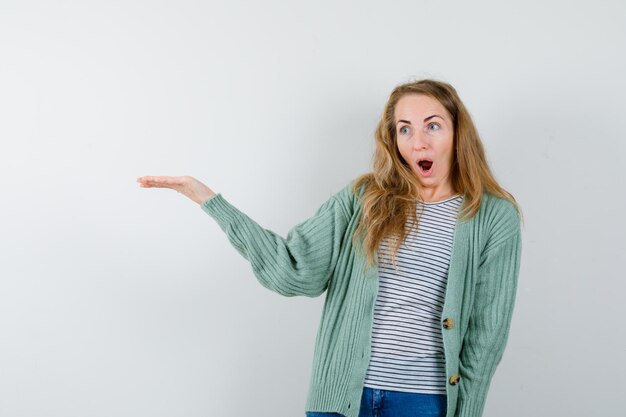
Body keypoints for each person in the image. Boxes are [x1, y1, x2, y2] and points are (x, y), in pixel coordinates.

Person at [136, 79, 523, 417]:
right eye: (404, 130)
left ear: (458, 133)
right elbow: (293, 269)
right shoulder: (363, 199)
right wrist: (209, 200)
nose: (418, 141)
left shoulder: (492, 216)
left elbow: (486, 336)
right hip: (341, 399)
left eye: (432, 126)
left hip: (424, 402)